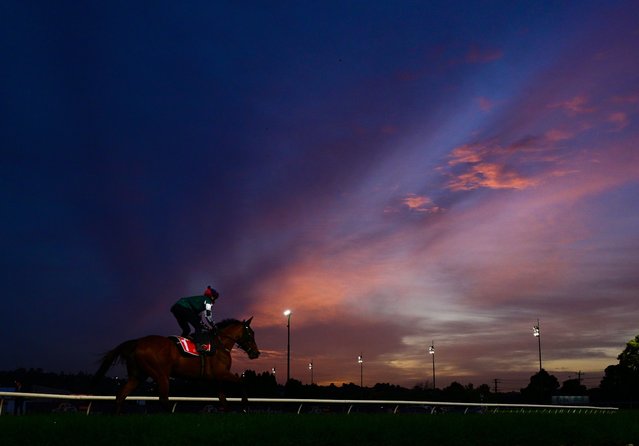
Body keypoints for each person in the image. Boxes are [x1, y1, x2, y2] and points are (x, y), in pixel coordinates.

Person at [171, 286, 219, 351]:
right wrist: (214, 326)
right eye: (215, 298)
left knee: (187, 329)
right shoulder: (208, 301)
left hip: (176, 308)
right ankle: (198, 346)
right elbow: (208, 316)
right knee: (198, 327)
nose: (214, 301)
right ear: (212, 297)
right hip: (185, 307)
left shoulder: (199, 301)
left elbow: (199, 320)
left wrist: (207, 327)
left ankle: (179, 343)